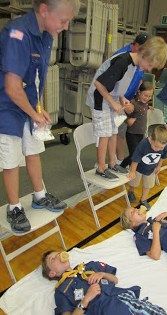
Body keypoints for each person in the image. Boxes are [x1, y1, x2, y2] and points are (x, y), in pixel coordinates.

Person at [0, 0, 76, 233]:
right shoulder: (17, 33)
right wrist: (33, 113)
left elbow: (35, 79)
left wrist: (39, 108)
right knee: (11, 159)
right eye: (63, 21)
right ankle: (13, 207)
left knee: (34, 151)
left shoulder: (46, 35)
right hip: (7, 107)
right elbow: (13, 88)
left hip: (29, 104)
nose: (65, 27)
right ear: (44, 10)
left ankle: (39, 195)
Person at [86, 36, 167, 181]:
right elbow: (99, 84)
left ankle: (112, 163)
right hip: (100, 100)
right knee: (104, 134)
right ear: (145, 54)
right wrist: (113, 103)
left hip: (110, 99)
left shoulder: (133, 65)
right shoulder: (123, 61)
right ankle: (101, 167)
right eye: (150, 64)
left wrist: (122, 99)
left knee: (113, 132)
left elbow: (117, 87)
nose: (149, 69)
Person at [41, 250, 167, 315]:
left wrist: (102, 274)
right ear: (52, 273)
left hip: (122, 296)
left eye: (58, 254)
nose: (58, 256)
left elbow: (115, 280)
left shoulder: (88, 266)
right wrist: (86, 300)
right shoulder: (61, 290)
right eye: (53, 259)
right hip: (103, 310)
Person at [113, 33, 150, 165]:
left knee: (120, 132)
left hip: (127, 98)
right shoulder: (122, 56)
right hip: (115, 99)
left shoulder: (140, 57)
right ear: (137, 46)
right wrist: (119, 100)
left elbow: (139, 78)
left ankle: (119, 161)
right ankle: (117, 161)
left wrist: (135, 97)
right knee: (113, 133)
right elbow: (112, 83)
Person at [127, 124, 167, 210]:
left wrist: (159, 166)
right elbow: (135, 159)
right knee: (134, 183)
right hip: (138, 169)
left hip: (151, 169)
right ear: (151, 139)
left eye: (160, 147)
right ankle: (131, 191)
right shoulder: (143, 144)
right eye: (155, 146)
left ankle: (143, 200)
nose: (157, 149)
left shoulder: (163, 145)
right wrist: (132, 171)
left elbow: (163, 156)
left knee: (148, 185)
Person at [120, 81, 154, 168]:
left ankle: (131, 168)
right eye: (145, 95)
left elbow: (143, 108)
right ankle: (122, 166)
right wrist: (128, 120)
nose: (147, 98)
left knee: (138, 152)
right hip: (132, 133)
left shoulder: (145, 103)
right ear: (139, 92)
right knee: (134, 154)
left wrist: (149, 107)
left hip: (140, 133)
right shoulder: (132, 103)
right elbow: (122, 116)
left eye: (150, 96)